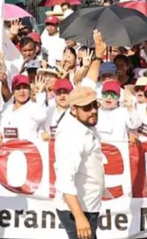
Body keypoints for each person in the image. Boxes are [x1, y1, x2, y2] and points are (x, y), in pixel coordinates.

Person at [54, 86, 104, 239]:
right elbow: (64, 181)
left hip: (87, 204)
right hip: (79, 209)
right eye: (87, 107)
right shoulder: (72, 135)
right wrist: (79, 217)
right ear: (74, 109)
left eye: (95, 105)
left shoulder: (83, 124)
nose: (93, 110)